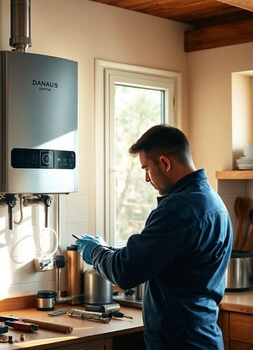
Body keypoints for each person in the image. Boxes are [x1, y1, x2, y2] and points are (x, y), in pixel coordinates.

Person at [75, 124, 232, 349]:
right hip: (202, 334)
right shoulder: (212, 200)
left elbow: (126, 271)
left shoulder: (179, 209)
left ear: (165, 163)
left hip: (180, 341)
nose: (147, 179)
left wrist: (96, 251)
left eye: (146, 169)